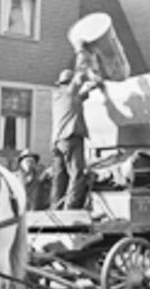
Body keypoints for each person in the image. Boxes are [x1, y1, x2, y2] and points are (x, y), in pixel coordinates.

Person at [50, 65, 103, 210]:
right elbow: (79, 82)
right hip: (71, 136)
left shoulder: (60, 96)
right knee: (77, 173)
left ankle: (55, 208)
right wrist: (93, 75)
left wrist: (94, 87)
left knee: (60, 177)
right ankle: (70, 208)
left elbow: (81, 96)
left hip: (57, 141)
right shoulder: (69, 92)